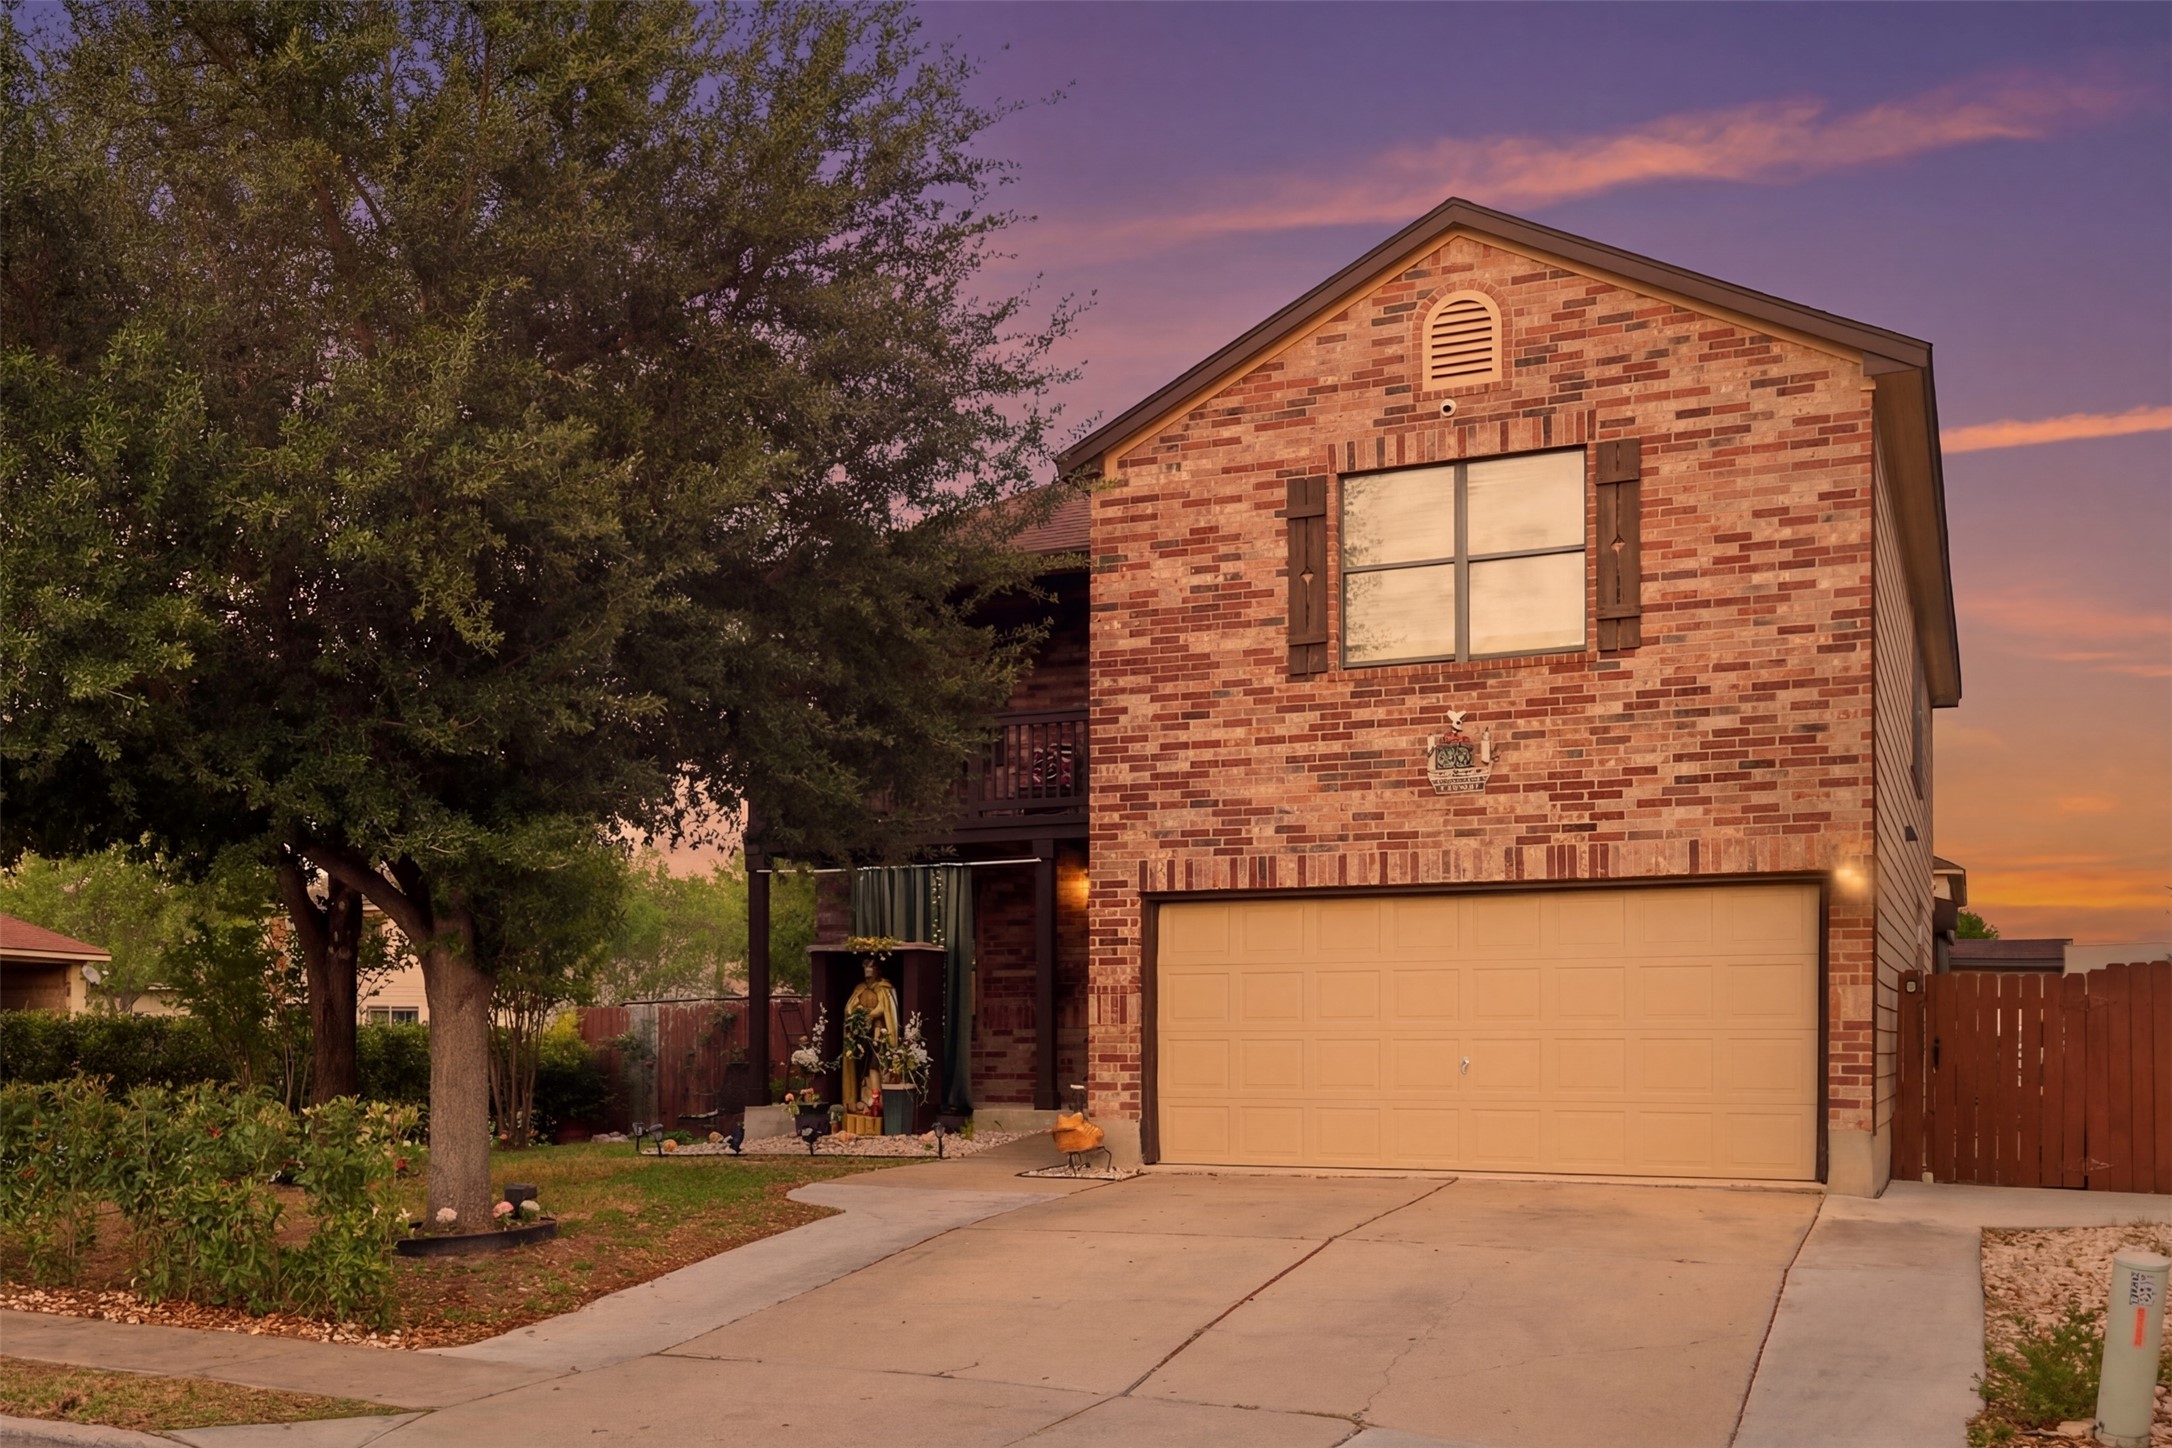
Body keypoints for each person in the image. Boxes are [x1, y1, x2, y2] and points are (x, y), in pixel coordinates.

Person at [840, 957, 900, 1112]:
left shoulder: (884, 988)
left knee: (876, 1065)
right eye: (866, 976)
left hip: (879, 1034)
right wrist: (859, 1012)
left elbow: (885, 1008)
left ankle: (877, 1100)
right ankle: (865, 1100)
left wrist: (871, 1014)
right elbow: (850, 1008)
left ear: (877, 973)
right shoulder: (860, 988)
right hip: (862, 1035)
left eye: (871, 975)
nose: (868, 980)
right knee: (863, 1067)